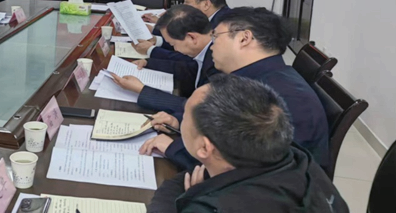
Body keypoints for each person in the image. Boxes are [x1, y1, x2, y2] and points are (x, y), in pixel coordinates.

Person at [138, 7, 330, 172]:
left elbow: (247, 169)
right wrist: (178, 121)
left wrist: (174, 148)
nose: (211, 46)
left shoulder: (280, 98)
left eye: (216, 36)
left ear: (244, 38)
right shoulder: (257, 77)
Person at [148, 74, 348, 213]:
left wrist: (193, 197)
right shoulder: (296, 157)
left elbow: (169, 195)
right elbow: (182, 180)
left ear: (204, 148)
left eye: (184, 117)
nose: (180, 119)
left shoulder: (213, 207)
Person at [109, 5, 219, 114]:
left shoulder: (218, 64)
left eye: (173, 44)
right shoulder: (208, 50)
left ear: (192, 38)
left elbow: (199, 109)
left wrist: (141, 90)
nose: (175, 49)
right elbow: (190, 68)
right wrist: (149, 63)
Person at [139, 0, 230, 53]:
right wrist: (157, 40)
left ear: (206, 4)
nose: (183, 6)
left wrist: (152, 51)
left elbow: (190, 61)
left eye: (187, 1)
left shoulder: (222, 29)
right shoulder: (214, 18)